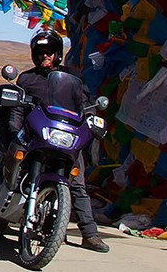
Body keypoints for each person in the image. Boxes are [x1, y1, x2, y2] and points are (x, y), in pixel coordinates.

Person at [10, 30, 108, 253]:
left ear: (57, 54)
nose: (45, 57)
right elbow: (18, 107)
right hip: (36, 136)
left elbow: (85, 105)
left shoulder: (72, 78)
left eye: (49, 53)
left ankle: (90, 234)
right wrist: (15, 128)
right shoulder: (27, 78)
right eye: (41, 53)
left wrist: (91, 121)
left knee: (78, 185)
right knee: (16, 169)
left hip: (64, 136)